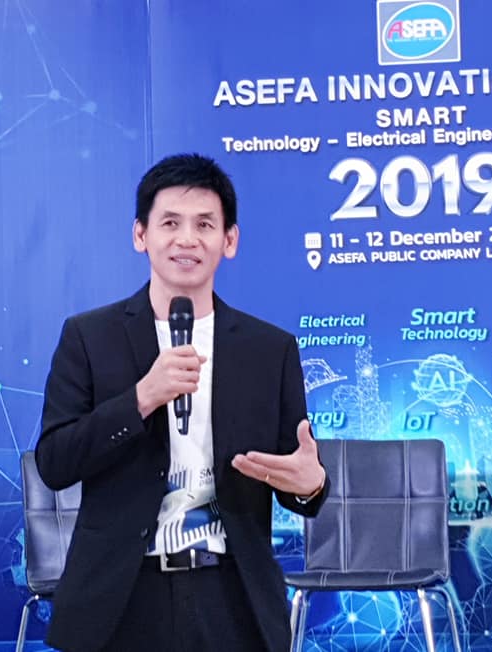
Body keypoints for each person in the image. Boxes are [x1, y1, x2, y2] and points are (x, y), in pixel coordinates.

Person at [35, 153, 329, 652]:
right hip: (121, 598)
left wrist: (310, 486)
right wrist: (140, 398)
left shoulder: (269, 349)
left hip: (233, 597)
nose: (187, 239)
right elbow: (55, 463)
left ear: (229, 241)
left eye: (204, 225)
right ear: (140, 235)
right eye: (170, 223)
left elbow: (294, 474)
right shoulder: (89, 337)